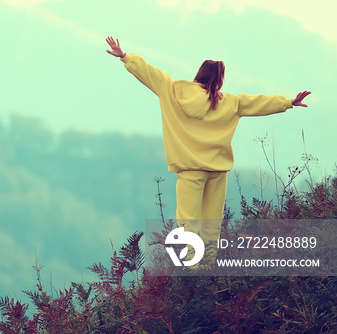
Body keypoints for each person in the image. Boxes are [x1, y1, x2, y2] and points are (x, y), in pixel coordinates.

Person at [105, 36, 310, 262]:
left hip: (190, 170)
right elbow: (258, 103)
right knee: (212, 225)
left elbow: (150, 73)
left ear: (199, 74)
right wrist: (289, 102)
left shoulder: (172, 91)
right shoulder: (230, 102)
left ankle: (191, 271)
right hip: (217, 171)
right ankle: (208, 268)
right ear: (220, 81)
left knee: (188, 223)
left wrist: (125, 56)